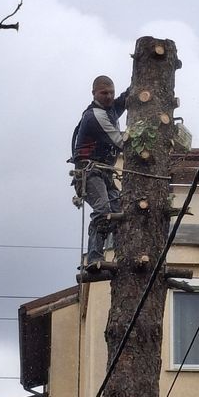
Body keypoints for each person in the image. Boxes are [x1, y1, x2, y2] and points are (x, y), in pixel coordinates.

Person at [72, 75, 128, 268]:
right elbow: (120, 142)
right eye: (104, 93)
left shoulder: (109, 109)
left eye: (111, 92)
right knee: (103, 208)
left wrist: (134, 89)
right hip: (89, 172)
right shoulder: (95, 116)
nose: (109, 96)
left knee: (119, 210)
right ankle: (94, 257)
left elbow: (123, 99)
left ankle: (122, 253)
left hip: (104, 172)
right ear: (94, 93)